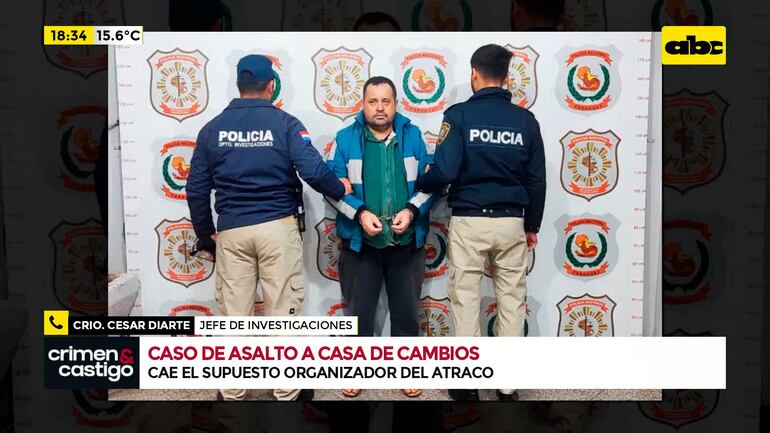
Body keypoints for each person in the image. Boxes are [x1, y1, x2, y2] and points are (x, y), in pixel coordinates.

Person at [186, 54, 351, 402]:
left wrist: (205, 234)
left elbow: (197, 189)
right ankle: (286, 391)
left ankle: (232, 392)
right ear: (271, 85)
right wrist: (340, 188)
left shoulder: (212, 129)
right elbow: (313, 171)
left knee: (233, 316)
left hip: (232, 230)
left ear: (238, 85)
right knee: (282, 311)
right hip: (277, 228)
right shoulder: (285, 124)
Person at [416, 44, 546, 402]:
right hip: (511, 222)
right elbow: (537, 180)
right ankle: (507, 385)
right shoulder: (526, 121)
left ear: (474, 73)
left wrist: (422, 180)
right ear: (506, 77)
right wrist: (532, 225)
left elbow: (444, 171)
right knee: (511, 302)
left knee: (465, 299)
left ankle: (466, 383)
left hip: (470, 221)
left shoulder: (458, 116)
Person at [325, 76, 436, 399]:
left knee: (406, 311)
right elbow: (332, 189)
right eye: (373, 101)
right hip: (361, 243)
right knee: (358, 312)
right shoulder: (345, 139)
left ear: (396, 104)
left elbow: (432, 184)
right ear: (362, 104)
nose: (380, 108)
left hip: (406, 241)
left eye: (386, 101)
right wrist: (360, 213)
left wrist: (411, 212)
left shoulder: (413, 136)